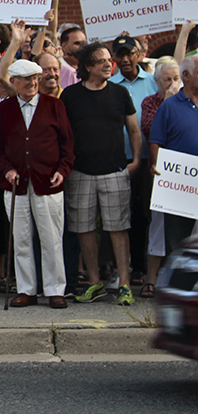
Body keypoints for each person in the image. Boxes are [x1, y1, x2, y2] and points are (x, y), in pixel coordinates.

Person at [0, 59, 75, 308]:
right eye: (26, 79)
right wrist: (7, 169)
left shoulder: (54, 105)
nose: (32, 83)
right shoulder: (4, 109)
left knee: (51, 238)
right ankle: (26, 289)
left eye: (35, 78)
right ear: (14, 82)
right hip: (17, 184)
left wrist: (62, 170)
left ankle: (55, 289)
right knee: (21, 239)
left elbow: (67, 144)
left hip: (48, 181)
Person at [60, 42, 141, 306]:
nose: (109, 64)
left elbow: (134, 130)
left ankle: (124, 285)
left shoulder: (120, 93)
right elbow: (62, 134)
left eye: (109, 60)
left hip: (115, 171)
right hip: (79, 173)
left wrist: (135, 161)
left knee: (119, 228)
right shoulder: (70, 95)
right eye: (102, 61)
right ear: (88, 66)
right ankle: (94, 283)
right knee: (83, 229)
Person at [108, 34, 156, 281]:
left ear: (139, 54)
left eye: (129, 54)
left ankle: (140, 266)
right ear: (114, 58)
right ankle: (120, 267)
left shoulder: (153, 81)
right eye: (120, 55)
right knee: (119, 215)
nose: (125, 59)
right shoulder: (109, 84)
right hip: (118, 159)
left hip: (147, 159)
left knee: (144, 212)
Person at [146, 56, 198, 258]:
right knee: (178, 241)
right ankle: (179, 276)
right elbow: (156, 141)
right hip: (180, 187)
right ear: (186, 75)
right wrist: (157, 165)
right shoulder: (169, 107)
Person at [139, 56, 180, 298]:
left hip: (189, 176)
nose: (173, 83)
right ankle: (151, 278)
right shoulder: (151, 102)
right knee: (159, 227)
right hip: (164, 175)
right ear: (157, 82)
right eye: (167, 79)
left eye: (176, 78)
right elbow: (150, 129)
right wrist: (167, 103)